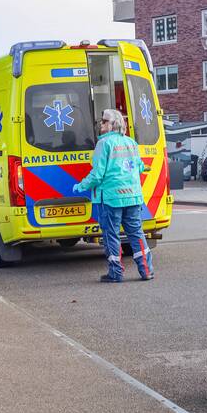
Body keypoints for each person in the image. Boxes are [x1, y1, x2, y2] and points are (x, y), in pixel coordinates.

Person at [72, 108, 154, 283]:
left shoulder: (104, 144)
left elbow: (98, 174)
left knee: (111, 235)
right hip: (132, 197)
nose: (101, 123)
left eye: (104, 121)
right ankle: (146, 270)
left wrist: (81, 186)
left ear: (113, 124)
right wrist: (144, 168)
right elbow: (138, 166)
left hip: (111, 198)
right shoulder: (131, 142)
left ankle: (115, 273)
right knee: (136, 233)